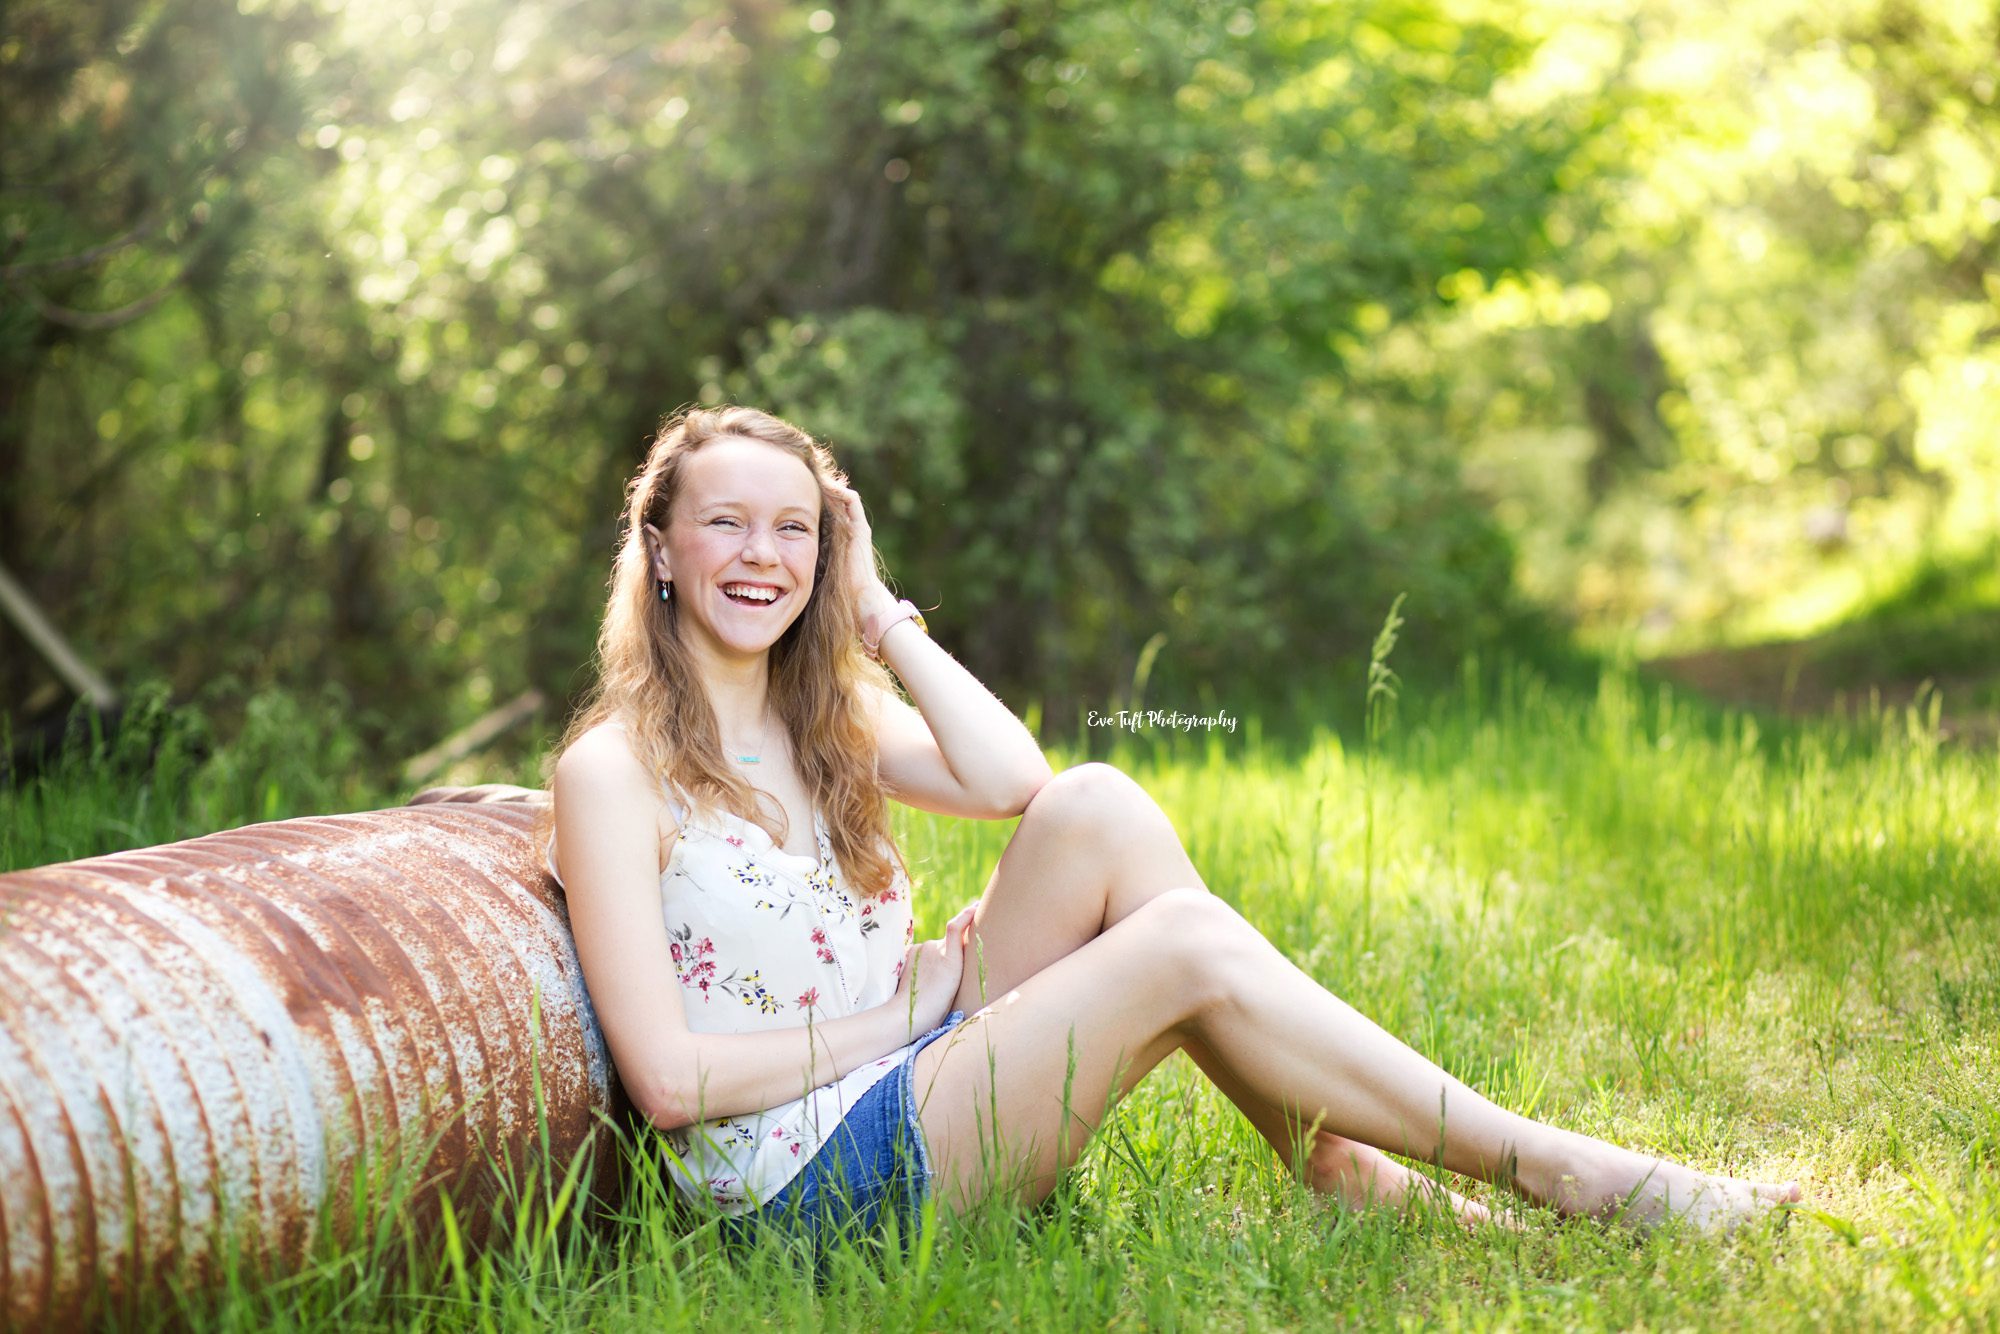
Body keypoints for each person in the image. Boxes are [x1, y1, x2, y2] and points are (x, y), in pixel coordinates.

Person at [542, 405, 1800, 1249]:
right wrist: (906, 1012)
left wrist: (878, 612)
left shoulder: (829, 718)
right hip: (798, 1186)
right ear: (657, 550)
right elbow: (666, 1080)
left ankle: (1340, 1166)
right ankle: (1558, 1171)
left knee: (1096, 801)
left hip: (904, 1076)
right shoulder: (615, 770)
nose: (761, 555)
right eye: (724, 522)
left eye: (794, 528)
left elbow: (1011, 778)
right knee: (1182, 944)